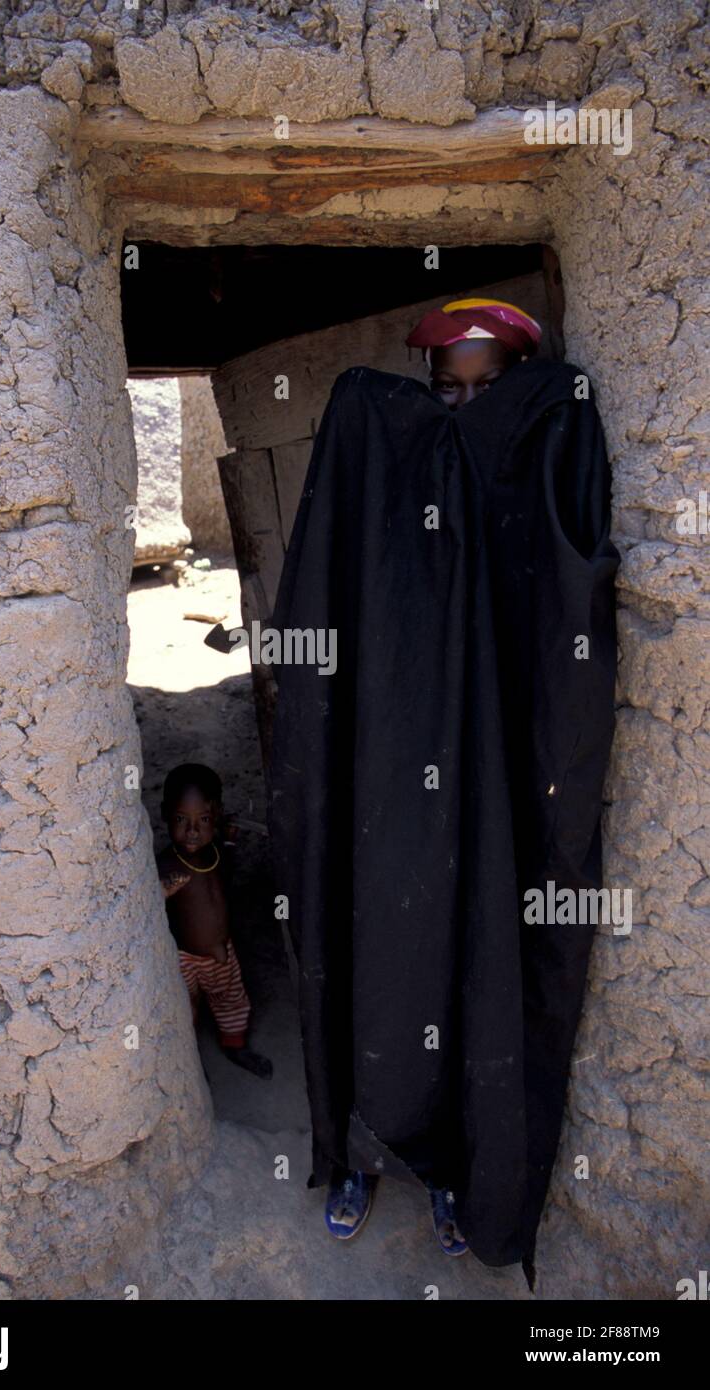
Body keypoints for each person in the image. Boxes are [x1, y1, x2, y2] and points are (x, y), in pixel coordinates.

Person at [269, 294, 619, 1286]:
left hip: (489, 801)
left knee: (476, 970)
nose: (460, 411)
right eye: (442, 391)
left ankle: (462, 1170)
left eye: (486, 390)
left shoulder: (532, 478)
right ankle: (355, 1152)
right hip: (387, 796)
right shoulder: (385, 485)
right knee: (374, 956)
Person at [157, 762, 272, 1079]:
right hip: (184, 958)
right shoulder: (168, 863)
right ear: (165, 814)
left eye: (203, 820)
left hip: (221, 953)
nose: (192, 831)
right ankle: (188, 1063)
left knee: (231, 1001)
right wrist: (163, 889)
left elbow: (228, 877)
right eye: (181, 819)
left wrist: (231, 841)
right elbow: (147, 901)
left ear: (217, 815)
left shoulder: (216, 852)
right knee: (184, 1009)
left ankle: (235, 1045)